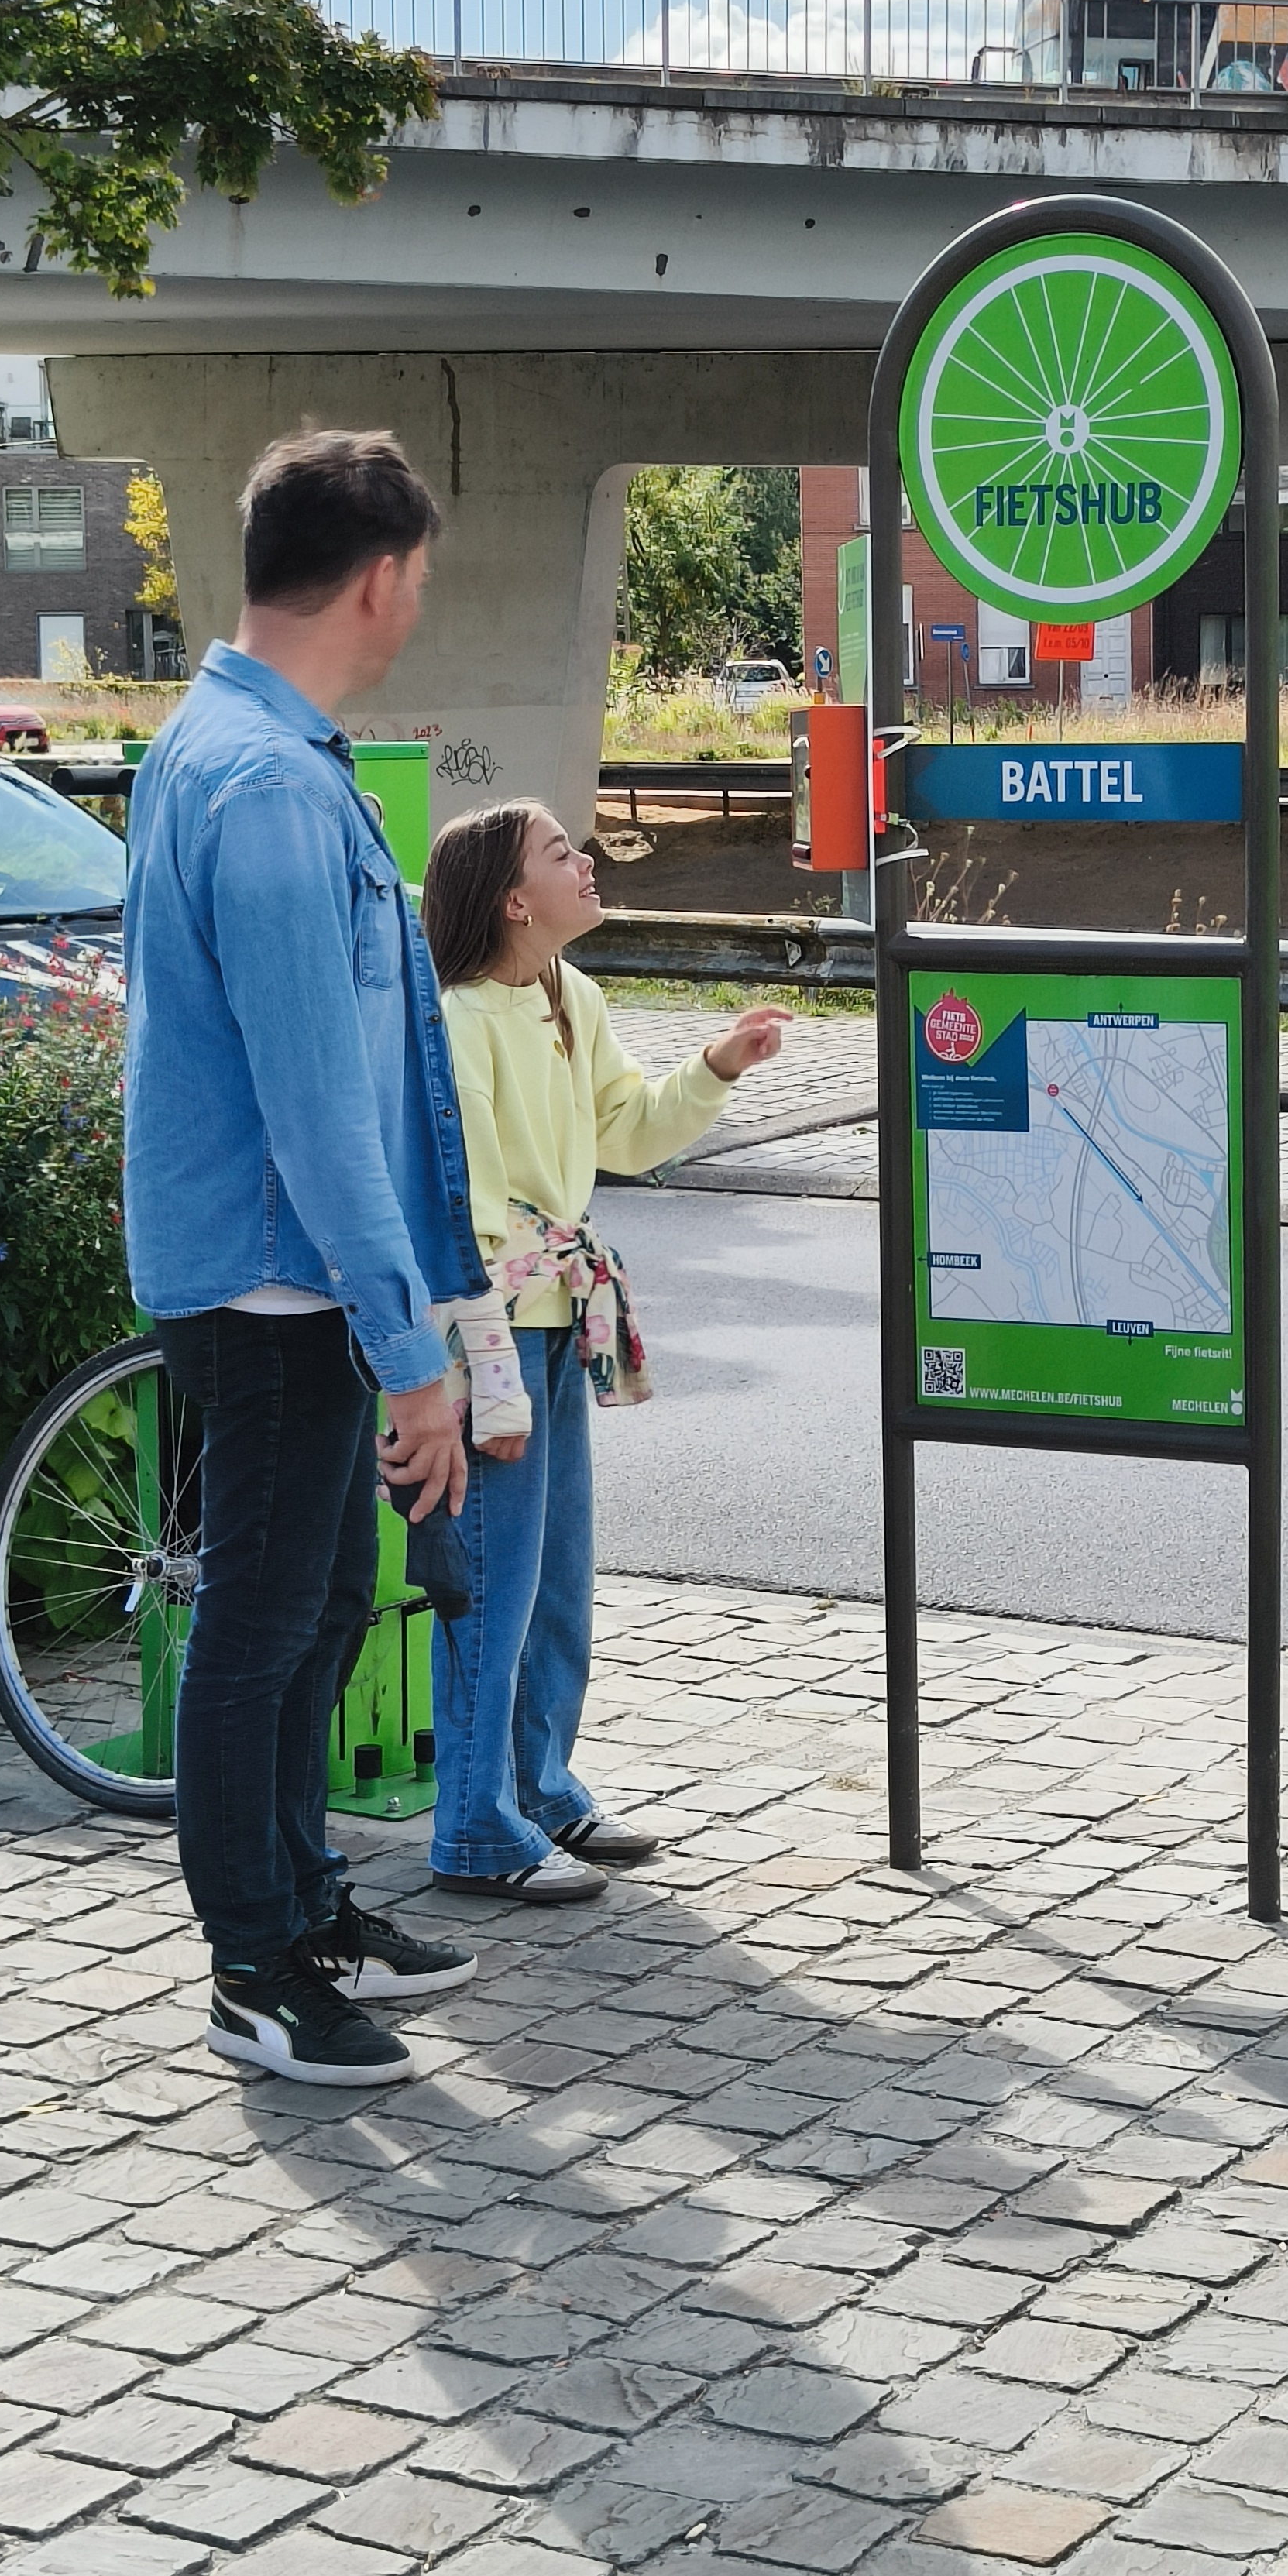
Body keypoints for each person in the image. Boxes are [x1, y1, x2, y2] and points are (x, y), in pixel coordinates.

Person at [124, 429, 488, 2088]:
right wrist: (414, 1346)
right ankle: (254, 1966)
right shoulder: (269, 786)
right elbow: (317, 1101)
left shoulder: (229, 742)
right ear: (380, 576)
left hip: (284, 1274)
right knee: (264, 1627)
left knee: (320, 1598)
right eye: (422, 573)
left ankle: (306, 1900)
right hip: (281, 1282)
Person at [419, 799, 788, 1901]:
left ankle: (539, 1788)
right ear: (512, 899)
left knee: (556, 1579)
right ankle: (478, 1827)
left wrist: (716, 1064)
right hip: (493, 1331)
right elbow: (464, 1198)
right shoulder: (460, 1015)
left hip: (554, 1320)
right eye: (560, 853)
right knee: (491, 1581)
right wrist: (475, 1360)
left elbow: (625, 1130)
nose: (587, 862)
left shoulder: (567, 994)